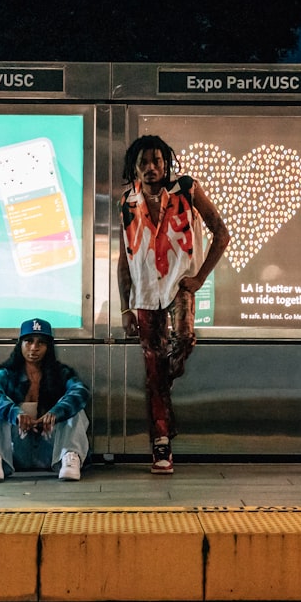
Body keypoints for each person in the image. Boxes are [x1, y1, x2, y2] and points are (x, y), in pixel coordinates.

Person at [117, 134, 229, 474]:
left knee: (182, 343)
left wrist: (200, 279)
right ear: (134, 168)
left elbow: (221, 232)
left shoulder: (187, 190)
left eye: (157, 161)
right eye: (144, 163)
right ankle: (161, 443)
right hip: (146, 294)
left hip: (180, 285)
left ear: (166, 163)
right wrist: (125, 307)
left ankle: (163, 390)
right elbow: (125, 258)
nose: (151, 168)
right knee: (153, 367)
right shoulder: (128, 202)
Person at [0, 317, 90, 482]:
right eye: (28, 341)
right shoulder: (8, 373)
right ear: (20, 345)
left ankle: (70, 457)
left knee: (76, 410)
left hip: (51, 451)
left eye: (41, 343)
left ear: (48, 347)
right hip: (15, 453)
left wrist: (57, 412)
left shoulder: (60, 373)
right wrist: (14, 413)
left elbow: (80, 392)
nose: (34, 348)